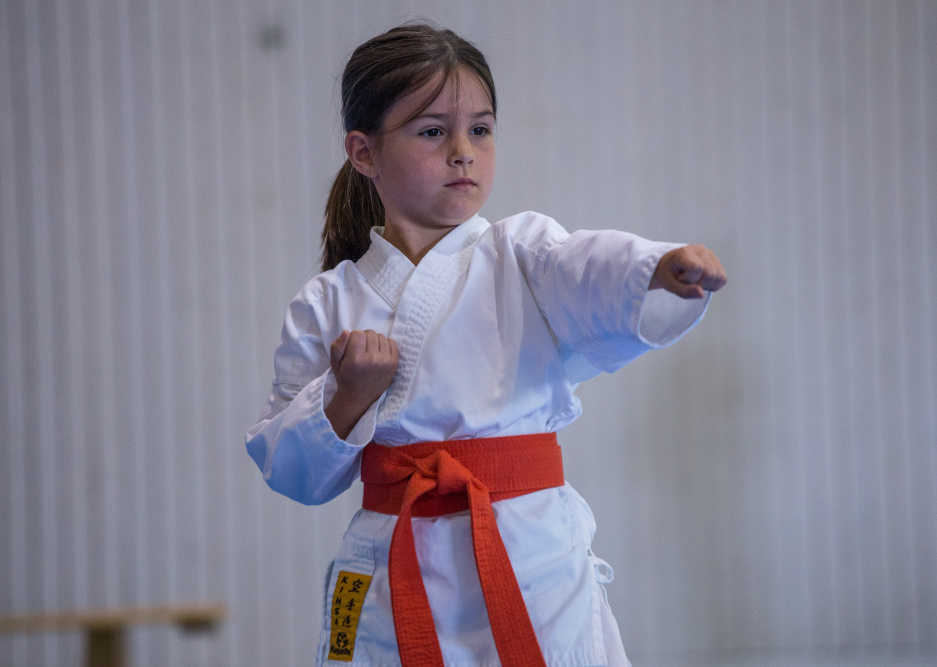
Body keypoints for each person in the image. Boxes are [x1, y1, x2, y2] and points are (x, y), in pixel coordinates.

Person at [246, 23, 727, 667]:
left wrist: (654, 270)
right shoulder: (327, 303)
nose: (463, 153)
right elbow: (291, 472)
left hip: (529, 558)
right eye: (432, 131)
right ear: (363, 153)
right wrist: (347, 396)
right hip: (394, 562)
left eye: (480, 129)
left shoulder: (521, 254)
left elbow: (585, 266)